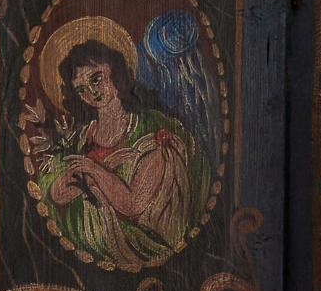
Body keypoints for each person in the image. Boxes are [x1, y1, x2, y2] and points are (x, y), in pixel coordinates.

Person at [25, 33, 204, 273]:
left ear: (115, 71)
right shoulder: (80, 137)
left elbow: (132, 204)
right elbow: (58, 194)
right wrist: (105, 167)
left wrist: (92, 170)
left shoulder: (150, 130)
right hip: (83, 261)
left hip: (144, 251)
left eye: (97, 79)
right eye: (82, 89)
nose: (92, 92)